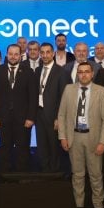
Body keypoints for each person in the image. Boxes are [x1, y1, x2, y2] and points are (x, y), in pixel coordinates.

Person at [58, 62, 104, 208]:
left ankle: (98, 206)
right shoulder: (69, 89)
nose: (83, 75)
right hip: (74, 137)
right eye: (80, 72)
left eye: (87, 72)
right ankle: (78, 204)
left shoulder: (101, 91)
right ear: (77, 74)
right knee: (77, 174)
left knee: (96, 175)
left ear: (92, 73)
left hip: (93, 138)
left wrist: (103, 142)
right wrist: (63, 136)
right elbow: (61, 115)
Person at [0, 44, 37, 173]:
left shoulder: (28, 71)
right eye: (10, 54)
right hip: (3, 118)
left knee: (23, 148)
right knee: (4, 148)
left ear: (21, 56)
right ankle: (5, 176)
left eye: (16, 54)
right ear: (6, 54)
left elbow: (33, 97)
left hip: (23, 119)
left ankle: (22, 176)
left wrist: (31, 117)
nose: (13, 56)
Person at [34, 42, 66, 174]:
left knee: (53, 146)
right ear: (40, 54)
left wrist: (59, 118)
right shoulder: (37, 70)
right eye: (43, 53)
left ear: (53, 54)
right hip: (39, 113)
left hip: (53, 116)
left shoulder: (61, 71)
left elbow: (64, 97)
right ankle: (44, 172)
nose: (45, 55)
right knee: (41, 145)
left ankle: (54, 174)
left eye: (48, 52)